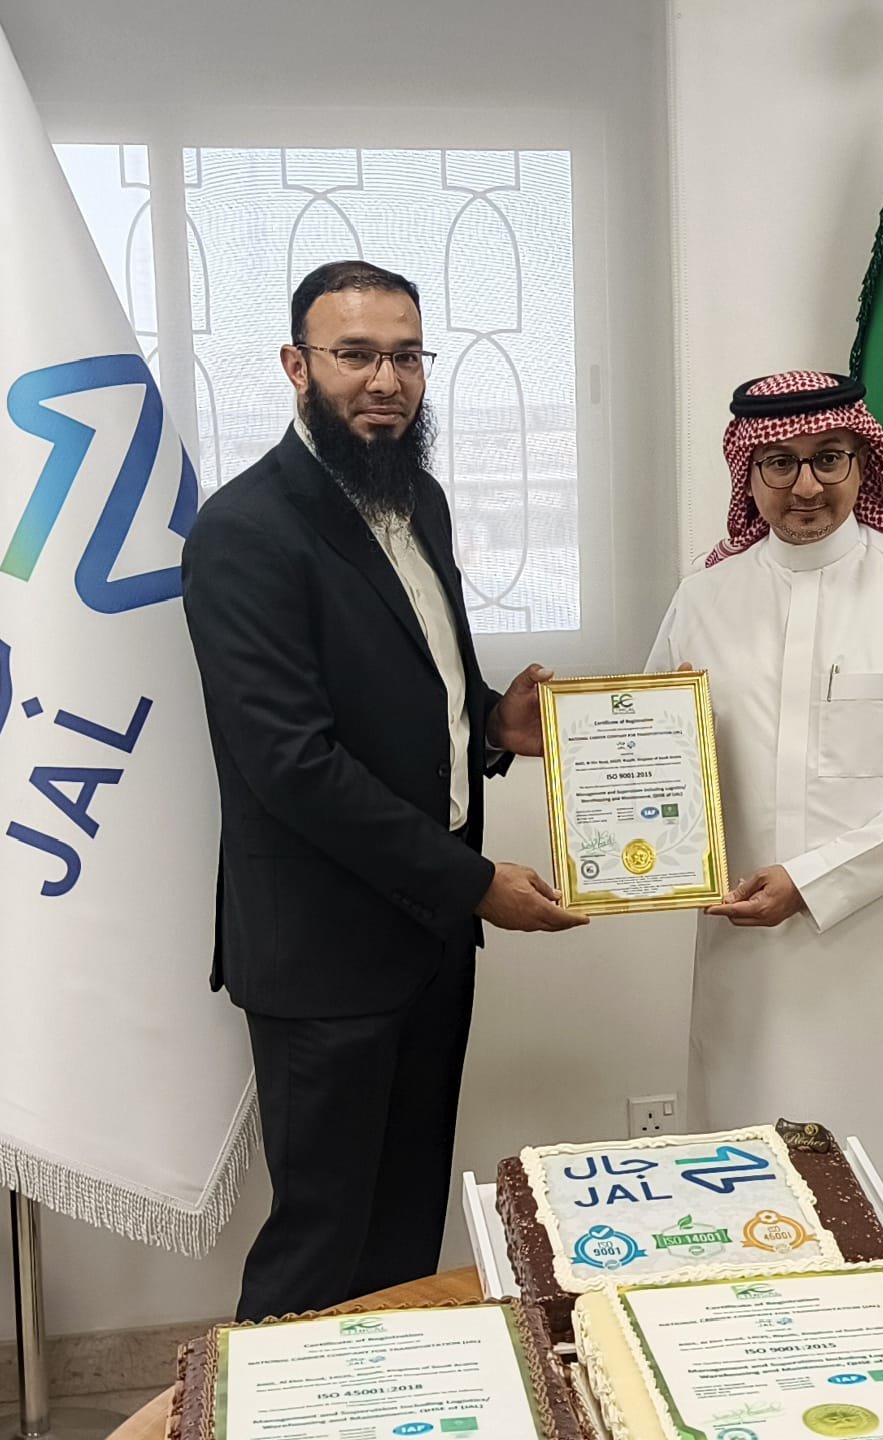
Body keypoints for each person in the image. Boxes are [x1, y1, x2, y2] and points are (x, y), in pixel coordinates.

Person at [182, 259, 587, 1323]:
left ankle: (396, 1397)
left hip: (430, 941)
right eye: (355, 355)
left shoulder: (418, 500)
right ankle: (274, 1403)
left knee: (405, 1228)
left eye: (406, 356)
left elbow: (413, 681)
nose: (385, 381)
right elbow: (294, 763)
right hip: (324, 950)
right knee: (319, 1244)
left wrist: (494, 724)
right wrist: (473, 881)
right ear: (296, 365)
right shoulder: (245, 531)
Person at [645, 369, 883, 1242]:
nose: (806, 485)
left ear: (863, 462)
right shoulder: (704, 599)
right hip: (753, 956)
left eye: (829, 458)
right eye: (779, 463)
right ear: (748, 473)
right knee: (758, 1196)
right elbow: (653, 751)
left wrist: (810, 881)